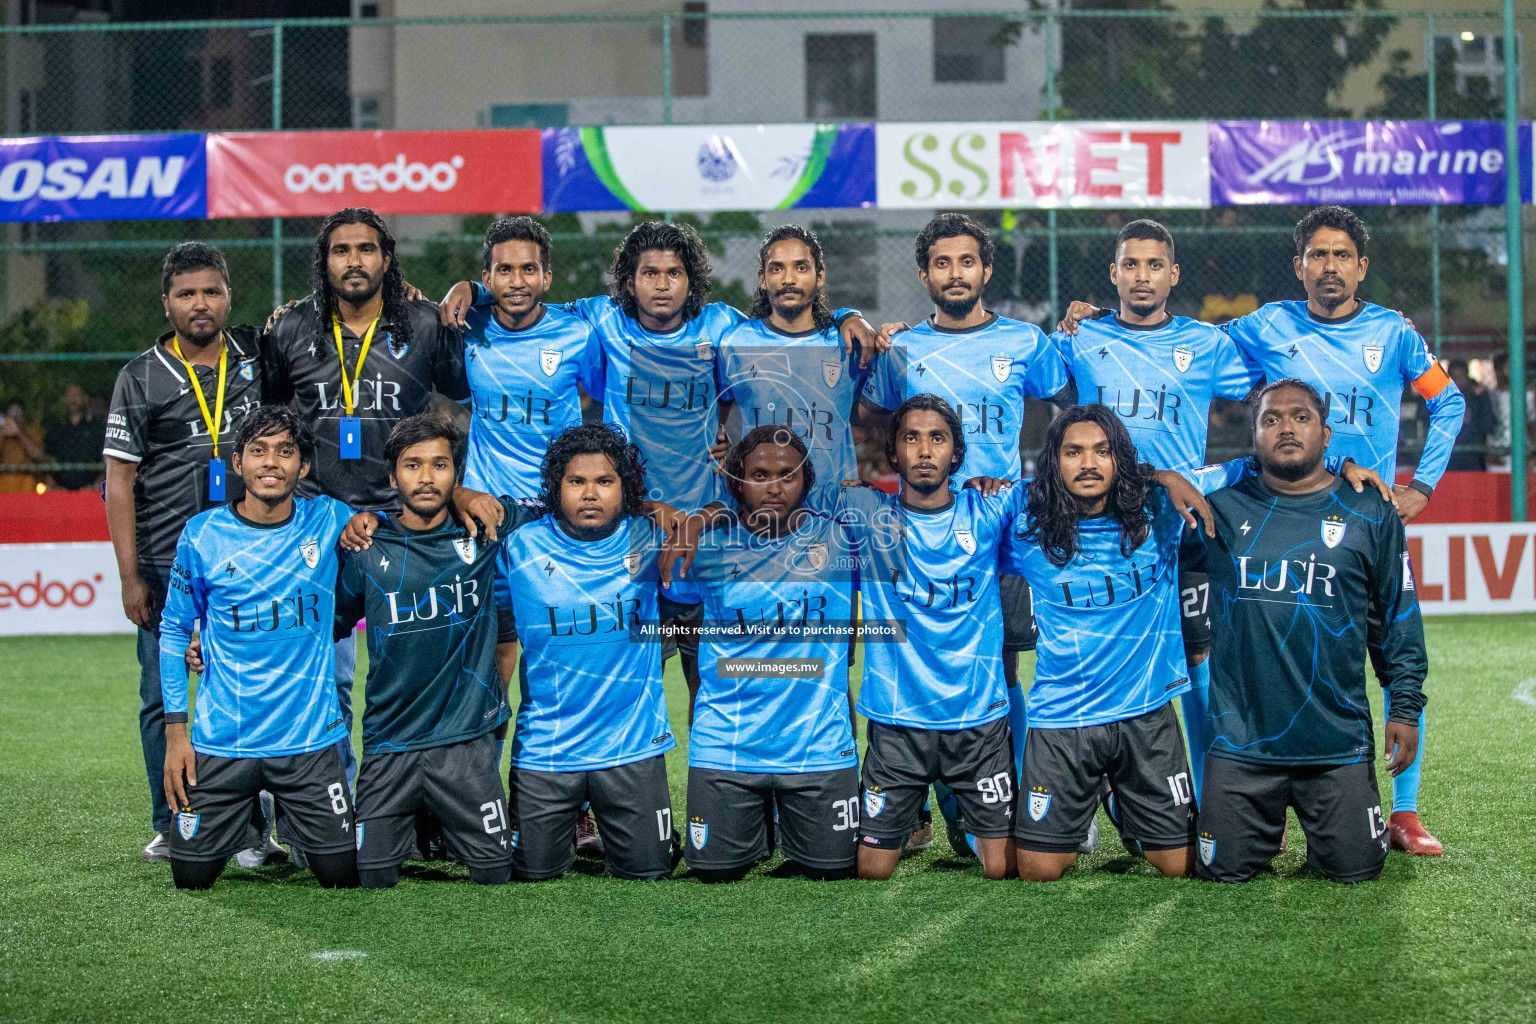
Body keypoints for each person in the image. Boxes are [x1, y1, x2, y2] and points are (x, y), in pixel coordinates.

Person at [1058, 205, 1462, 855]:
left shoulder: (1396, 334)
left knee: (1386, 649)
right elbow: (1188, 347)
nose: (1329, 266)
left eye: (1342, 256)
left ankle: (1405, 811)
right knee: (1228, 655)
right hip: (1279, 513)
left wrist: (1422, 485)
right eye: (1317, 256)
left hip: (1365, 518)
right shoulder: (1265, 325)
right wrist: (1092, 317)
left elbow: (1449, 400)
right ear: (1299, 266)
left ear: (1362, 266)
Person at [263, 208, 496, 793]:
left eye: (366, 249)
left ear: (386, 259)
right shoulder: (288, 328)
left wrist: (458, 483)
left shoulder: (422, 322)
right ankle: (332, 805)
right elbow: (270, 418)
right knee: (326, 679)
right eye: (341, 251)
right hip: (318, 524)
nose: (354, 261)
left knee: (419, 672)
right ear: (324, 261)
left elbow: (467, 396)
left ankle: (429, 806)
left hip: (406, 524)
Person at [862, 213, 1073, 853]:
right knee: (916, 649)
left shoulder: (1027, 343)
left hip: (996, 531)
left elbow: (1071, 407)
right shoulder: (902, 350)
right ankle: (922, 807)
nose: (956, 274)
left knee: (1003, 660)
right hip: (919, 526)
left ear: (986, 270)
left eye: (967, 262)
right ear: (925, 273)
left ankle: (992, 799)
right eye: (942, 263)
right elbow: (873, 421)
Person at [1044, 219, 1264, 815]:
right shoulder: (1080, 340)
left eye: (1154, 265)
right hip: (1100, 529)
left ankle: (1203, 791)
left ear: (1172, 274)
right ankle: (1087, 796)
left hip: (1180, 527)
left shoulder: (1209, 345)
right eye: (1131, 265)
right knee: (1097, 652)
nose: (1142, 276)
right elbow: (1041, 394)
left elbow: (1268, 395)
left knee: (1198, 657)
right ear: (1114, 274)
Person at [1183, 379, 1427, 884]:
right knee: (1219, 872)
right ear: (1253, 437)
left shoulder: (1372, 512)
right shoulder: (1220, 510)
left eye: (1300, 417)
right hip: (1242, 743)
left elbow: (1397, 616)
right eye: (1270, 419)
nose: (1286, 428)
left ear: (1327, 434)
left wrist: (1404, 706)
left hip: (1335, 741)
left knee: (1358, 870)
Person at [157, 406, 375, 890]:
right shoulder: (202, 535)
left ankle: (295, 831)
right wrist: (176, 732)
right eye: (257, 451)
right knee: (191, 878)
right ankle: (249, 831)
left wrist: (366, 521)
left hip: (310, 743)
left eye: (285, 451)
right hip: (223, 742)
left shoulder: (329, 518)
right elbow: (174, 630)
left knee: (342, 876)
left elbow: (385, 526)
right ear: (237, 464)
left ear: (304, 467)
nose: (271, 462)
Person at [1000, 406, 1213, 881]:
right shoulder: (1025, 530)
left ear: (1121, 459)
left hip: (1145, 714)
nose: (1089, 463)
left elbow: (1249, 467)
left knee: (1179, 867)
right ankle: (1097, 793)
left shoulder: (1161, 514)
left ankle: (1120, 799)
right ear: (1053, 461)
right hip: (1062, 719)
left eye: (1103, 450)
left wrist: (1165, 476)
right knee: (1038, 871)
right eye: (1073, 452)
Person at [332, 414, 544, 888]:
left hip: (466, 741)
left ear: (457, 474)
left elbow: (561, 505)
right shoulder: (366, 546)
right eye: (412, 465)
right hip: (390, 743)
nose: (426, 478)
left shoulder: (483, 530)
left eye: (440, 465)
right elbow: (327, 625)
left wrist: (470, 498)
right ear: (392, 477)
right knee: (368, 877)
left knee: (493, 873)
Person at [103, 242, 265, 863]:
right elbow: (118, 482)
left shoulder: (256, 359)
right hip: (170, 567)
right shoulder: (140, 377)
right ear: (166, 303)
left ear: (228, 294)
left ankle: (250, 831)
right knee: (163, 698)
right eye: (187, 293)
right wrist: (130, 577)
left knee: (248, 691)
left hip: (252, 562)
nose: (201, 303)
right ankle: (173, 822)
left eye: (212, 291)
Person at [844, 395, 1027, 882]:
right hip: (898, 723)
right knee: (872, 873)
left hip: (978, 721)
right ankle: (922, 821)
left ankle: (964, 827)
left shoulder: (988, 509)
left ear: (956, 453)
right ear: (895, 453)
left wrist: (1164, 476)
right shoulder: (868, 512)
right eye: (911, 438)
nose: (925, 450)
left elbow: (1062, 485)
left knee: (1005, 869)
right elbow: (783, 486)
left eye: (938, 438)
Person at [667, 426, 860, 883]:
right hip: (727, 749)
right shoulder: (705, 548)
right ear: (737, 481)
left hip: (819, 751)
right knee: (714, 873)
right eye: (759, 474)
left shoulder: (843, 538)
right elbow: (678, 622)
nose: (774, 486)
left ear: (805, 481)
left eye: (787, 474)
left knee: (832, 871)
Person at [497, 423, 683, 882]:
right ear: (556, 487)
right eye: (576, 481)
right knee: (532, 875)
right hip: (547, 750)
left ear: (627, 488)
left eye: (605, 481)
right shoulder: (519, 543)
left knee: (650, 871)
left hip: (632, 747)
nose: (590, 494)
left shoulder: (651, 536)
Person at [715, 225, 878, 512]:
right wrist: (720, 440)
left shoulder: (848, 343)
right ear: (762, 279)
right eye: (777, 269)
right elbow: (717, 410)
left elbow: (875, 414)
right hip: (763, 513)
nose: (788, 279)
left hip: (835, 510)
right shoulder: (735, 343)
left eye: (801, 267)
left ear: (820, 275)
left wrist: (850, 315)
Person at [44, 384, 106, 491]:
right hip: (61, 493)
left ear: (84, 398)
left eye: (76, 395)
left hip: (89, 493)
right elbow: (45, 460)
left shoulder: (97, 428)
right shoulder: (56, 429)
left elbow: (106, 462)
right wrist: (53, 486)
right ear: (64, 399)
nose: (73, 399)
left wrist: (96, 486)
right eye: (69, 395)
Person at [1445, 359, 1494, 472]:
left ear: (1467, 377)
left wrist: (1482, 397)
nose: (1457, 381)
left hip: (1474, 456)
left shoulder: (1477, 398)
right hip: (1447, 456)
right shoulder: (1440, 399)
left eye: (1461, 376)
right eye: (1454, 376)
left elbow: (1488, 424)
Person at [0, 403, 48, 492]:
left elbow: (39, 456)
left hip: (27, 485)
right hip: (3, 486)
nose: (15, 416)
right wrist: (2, 434)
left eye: (18, 412)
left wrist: (19, 434)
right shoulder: (2, 433)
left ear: (24, 415)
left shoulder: (33, 432)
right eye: (12, 412)